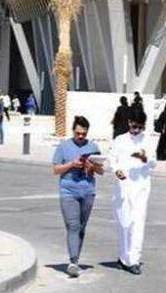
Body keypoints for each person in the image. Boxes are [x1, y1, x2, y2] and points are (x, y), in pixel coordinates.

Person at [51, 116, 104, 278]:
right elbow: (55, 169)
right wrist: (71, 164)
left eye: (83, 134)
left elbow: (101, 171)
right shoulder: (63, 146)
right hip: (68, 191)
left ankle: (76, 259)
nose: (81, 136)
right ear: (73, 131)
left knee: (81, 227)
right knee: (73, 225)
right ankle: (73, 261)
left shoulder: (93, 146)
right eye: (78, 133)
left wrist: (91, 166)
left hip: (87, 191)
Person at [109, 108, 156, 275]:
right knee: (124, 223)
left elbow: (153, 163)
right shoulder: (120, 140)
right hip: (123, 187)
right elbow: (112, 158)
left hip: (141, 187)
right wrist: (116, 170)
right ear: (129, 123)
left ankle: (134, 260)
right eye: (134, 126)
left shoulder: (148, 140)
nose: (137, 130)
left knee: (137, 223)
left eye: (140, 127)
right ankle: (123, 257)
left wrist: (145, 158)